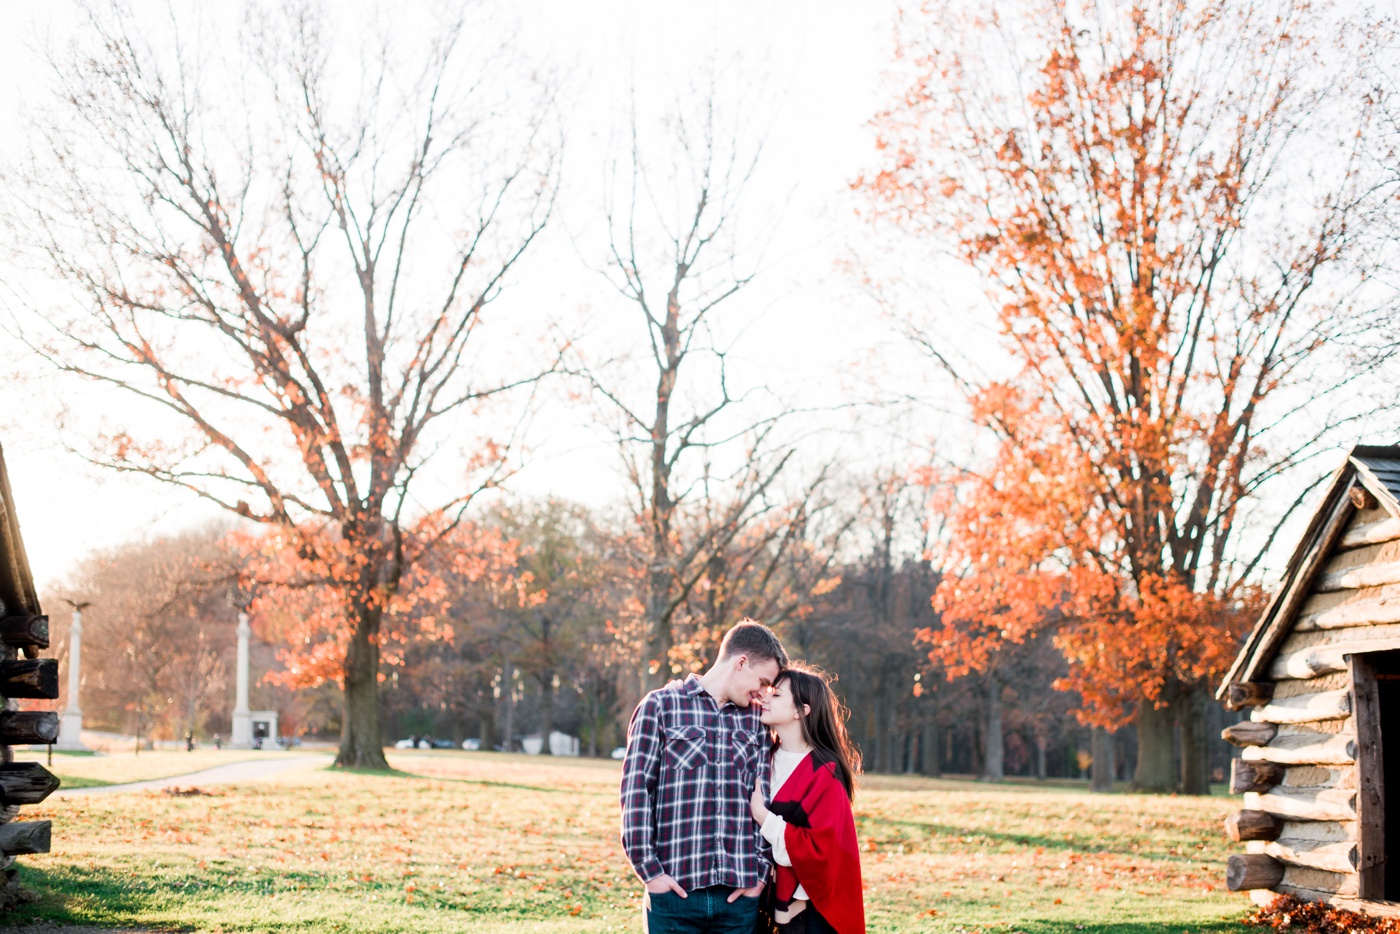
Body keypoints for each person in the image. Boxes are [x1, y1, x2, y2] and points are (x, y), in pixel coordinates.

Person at [620, 619, 789, 933]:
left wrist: (760, 875)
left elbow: (765, 798)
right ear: (740, 662)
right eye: (763, 681)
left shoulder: (756, 720)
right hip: (674, 895)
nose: (763, 693)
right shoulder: (660, 707)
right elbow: (636, 795)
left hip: (738, 900)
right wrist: (651, 874)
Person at [749, 665, 865, 934]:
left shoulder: (825, 772)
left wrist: (762, 815)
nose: (764, 698)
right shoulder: (761, 757)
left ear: (801, 710)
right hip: (758, 903)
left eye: (776, 695)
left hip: (809, 911)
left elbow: (820, 853)